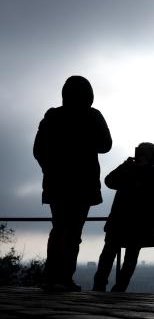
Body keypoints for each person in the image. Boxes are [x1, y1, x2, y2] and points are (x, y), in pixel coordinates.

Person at [34, 76, 112, 292]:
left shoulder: (52, 117)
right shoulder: (93, 116)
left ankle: (52, 276)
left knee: (59, 229)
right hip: (83, 184)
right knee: (73, 232)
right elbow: (106, 145)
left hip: (57, 184)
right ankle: (64, 278)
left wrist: (50, 169)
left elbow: (38, 151)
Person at [92, 143, 154, 292]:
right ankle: (111, 287)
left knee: (115, 255)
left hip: (128, 221)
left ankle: (107, 287)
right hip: (134, 222)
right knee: (120, 256)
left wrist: (130, 169)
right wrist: (125, 166)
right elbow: (109, 182)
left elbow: (151, 191)